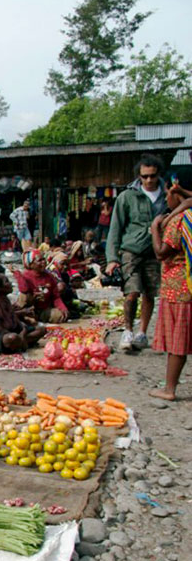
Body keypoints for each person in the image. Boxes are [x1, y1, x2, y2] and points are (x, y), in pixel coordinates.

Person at [106, 154, 167, 352]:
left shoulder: (168, 195)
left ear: (158, 175)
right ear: (139, 176)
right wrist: (112, 259)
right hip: (131, 250)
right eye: (145, 176)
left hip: (156, 252)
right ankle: (128, 330)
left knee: (150, 293)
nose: (149, 180)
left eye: (152, 176)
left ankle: (142, 333)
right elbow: (115, 228)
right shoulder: (127, 197)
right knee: (131, 292)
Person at [148, 201, 192, 400]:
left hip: (180, 287)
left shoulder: (180, 220)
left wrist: (155, 228)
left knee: (178, 341)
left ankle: (169, 389)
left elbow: (160, 252)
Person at [0, 272, 45, 353]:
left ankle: (19, 343)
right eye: (7, 281)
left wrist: (23, 331)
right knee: (12, 338)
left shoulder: (5, 299)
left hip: (10, 331)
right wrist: (20, 335)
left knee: (41, 330)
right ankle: (19, 343)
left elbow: (15, 320)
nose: (10, 283)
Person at [15, 249, 68, 323]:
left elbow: (55, 296)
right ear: (31, 264)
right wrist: (18, 275)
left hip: (44, 309)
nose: (43, 262)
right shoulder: (25, 276)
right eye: (39, 260)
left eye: (43, 259)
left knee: (60, 315)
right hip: (29, 308)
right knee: (24, 295)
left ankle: (37, 319)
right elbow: (24, 290)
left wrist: (63, 308)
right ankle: (25, 317)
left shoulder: (49, 276)